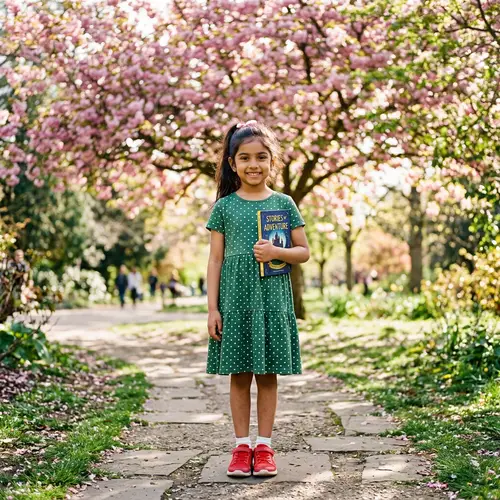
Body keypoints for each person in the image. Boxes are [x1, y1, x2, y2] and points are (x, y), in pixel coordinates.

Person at [205, 120, 310, 477]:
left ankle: (264, 446)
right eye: (245, 158)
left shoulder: (284, 204)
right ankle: (240, 447)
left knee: (267, 375)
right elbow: (215, 259)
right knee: (239, 374)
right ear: (232, 164)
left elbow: (303, 252)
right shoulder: (223, 208)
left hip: (272, 300)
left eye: (261, 157)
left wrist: (276, 250)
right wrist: (212, 308)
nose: (254, 164)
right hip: (235, 301)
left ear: (272, 161)